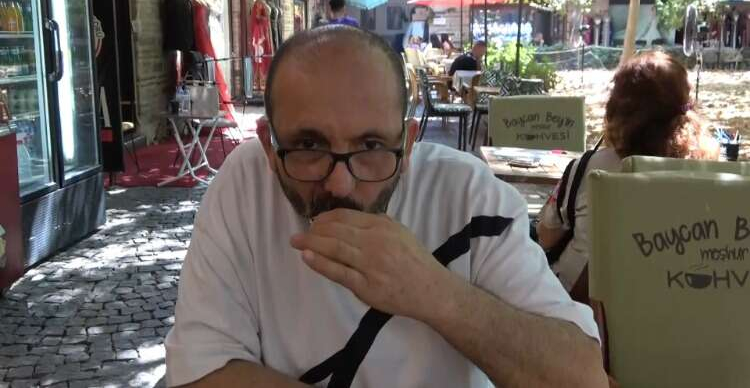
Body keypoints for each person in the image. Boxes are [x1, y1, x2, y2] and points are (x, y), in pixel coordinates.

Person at [165, 26, 607, 388]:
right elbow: (200, 372)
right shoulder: (244, 186)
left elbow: (582, 378)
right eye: (308, 145)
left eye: (372, 146)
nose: (340, 183)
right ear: (267, 144)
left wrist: (435, 292)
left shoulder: (470, 196)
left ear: (409, 143)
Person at [536, 51, 720, 295]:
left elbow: (546, 237)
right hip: (677, 305)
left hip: (579, 306)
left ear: (617, 108)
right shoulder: (714, 177)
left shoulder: (589, 168)